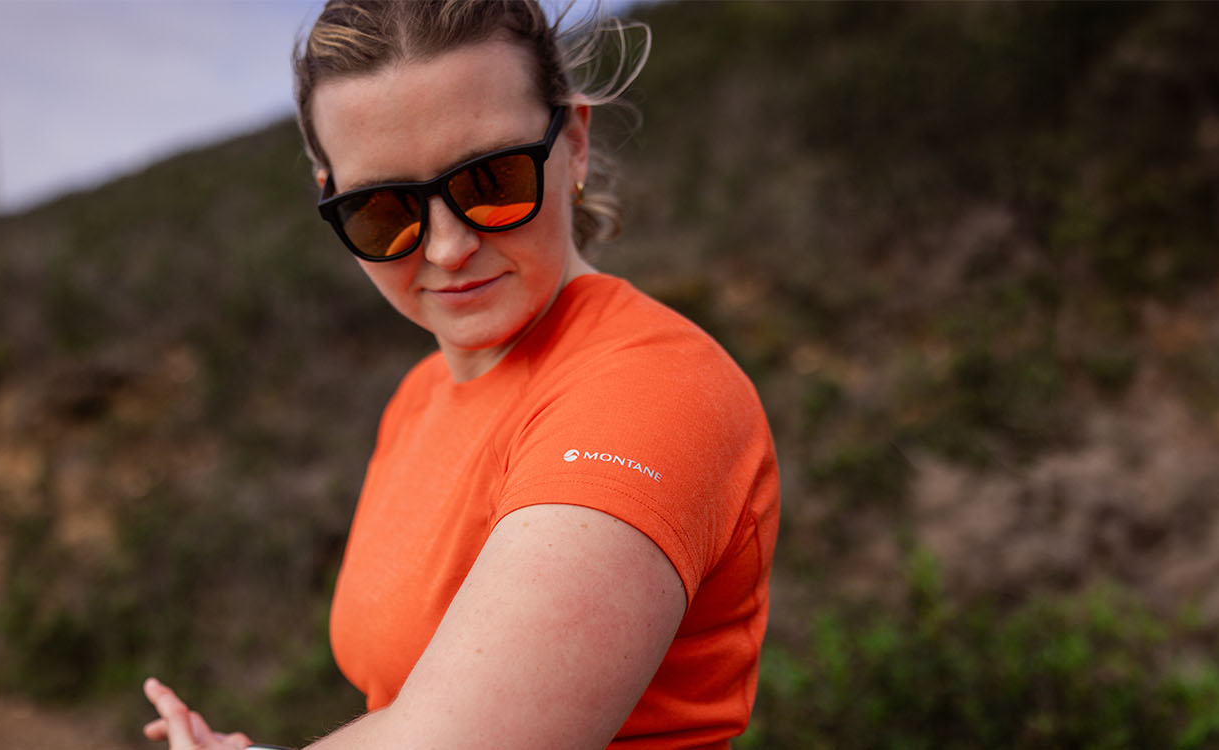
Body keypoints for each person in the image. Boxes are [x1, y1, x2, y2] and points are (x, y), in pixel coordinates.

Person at [138, 2, 776, 749]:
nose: (446, 247)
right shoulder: (418, 397)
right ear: (329, 200)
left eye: (492, 179)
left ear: (571, 141)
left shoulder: (649, 392)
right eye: (382, 210)